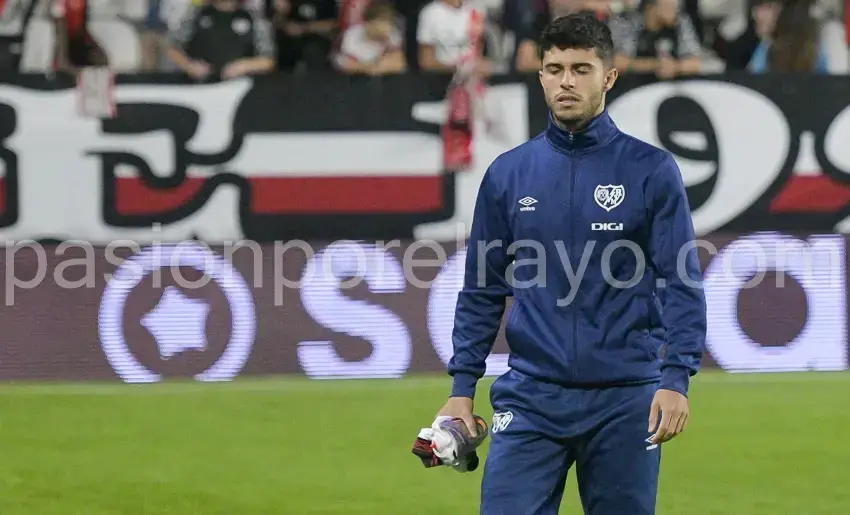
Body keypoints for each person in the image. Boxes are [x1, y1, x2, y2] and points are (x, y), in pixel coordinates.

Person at [436, 12, 706, 515]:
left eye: (581, 69)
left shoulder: (651, 170)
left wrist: (676, 379)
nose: (566, 81)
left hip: (627, 400)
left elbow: (681, 282)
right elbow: (482, 290)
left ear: (609, 77)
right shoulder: (508, 174)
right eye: (555, 68)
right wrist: (461, 389)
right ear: (540, 76)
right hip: (532, 397)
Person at [168, 0, 275, 81]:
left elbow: (268, 60)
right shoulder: (196, 13)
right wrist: (189, 66)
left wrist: (244, 66)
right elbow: (173, 49)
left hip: (240, 88)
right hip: (199, 86)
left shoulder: (254, 17)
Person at [609, 0, 701, 79]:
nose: (674, 11)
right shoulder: (631, 21)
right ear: (651, 8)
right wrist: (655, 65)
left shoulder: (680, 21)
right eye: (667, 6)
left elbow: (696, 63)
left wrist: (675, 66)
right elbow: (618, 63)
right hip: (633, 89)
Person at [334, 0, 406, 75]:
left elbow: (400, 63)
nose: (384, 33)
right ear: (368, 24)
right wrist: (367, 68)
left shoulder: (392, 35)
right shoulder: (351, 36)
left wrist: (378, 67)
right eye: (379, 27)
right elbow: (343, 63)